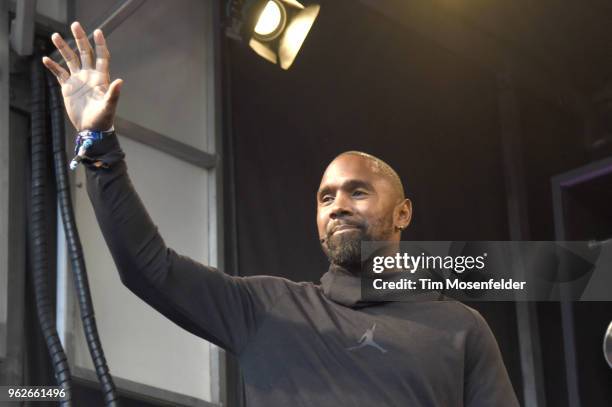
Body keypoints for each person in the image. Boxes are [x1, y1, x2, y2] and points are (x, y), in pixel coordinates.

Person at [43, 22, 520, 407]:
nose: (338, 206)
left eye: (357, 192)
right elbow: (148, 268)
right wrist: (98, 145)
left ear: (403, 214)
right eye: (325, 197)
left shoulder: (460, 330)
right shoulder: (266, 309)